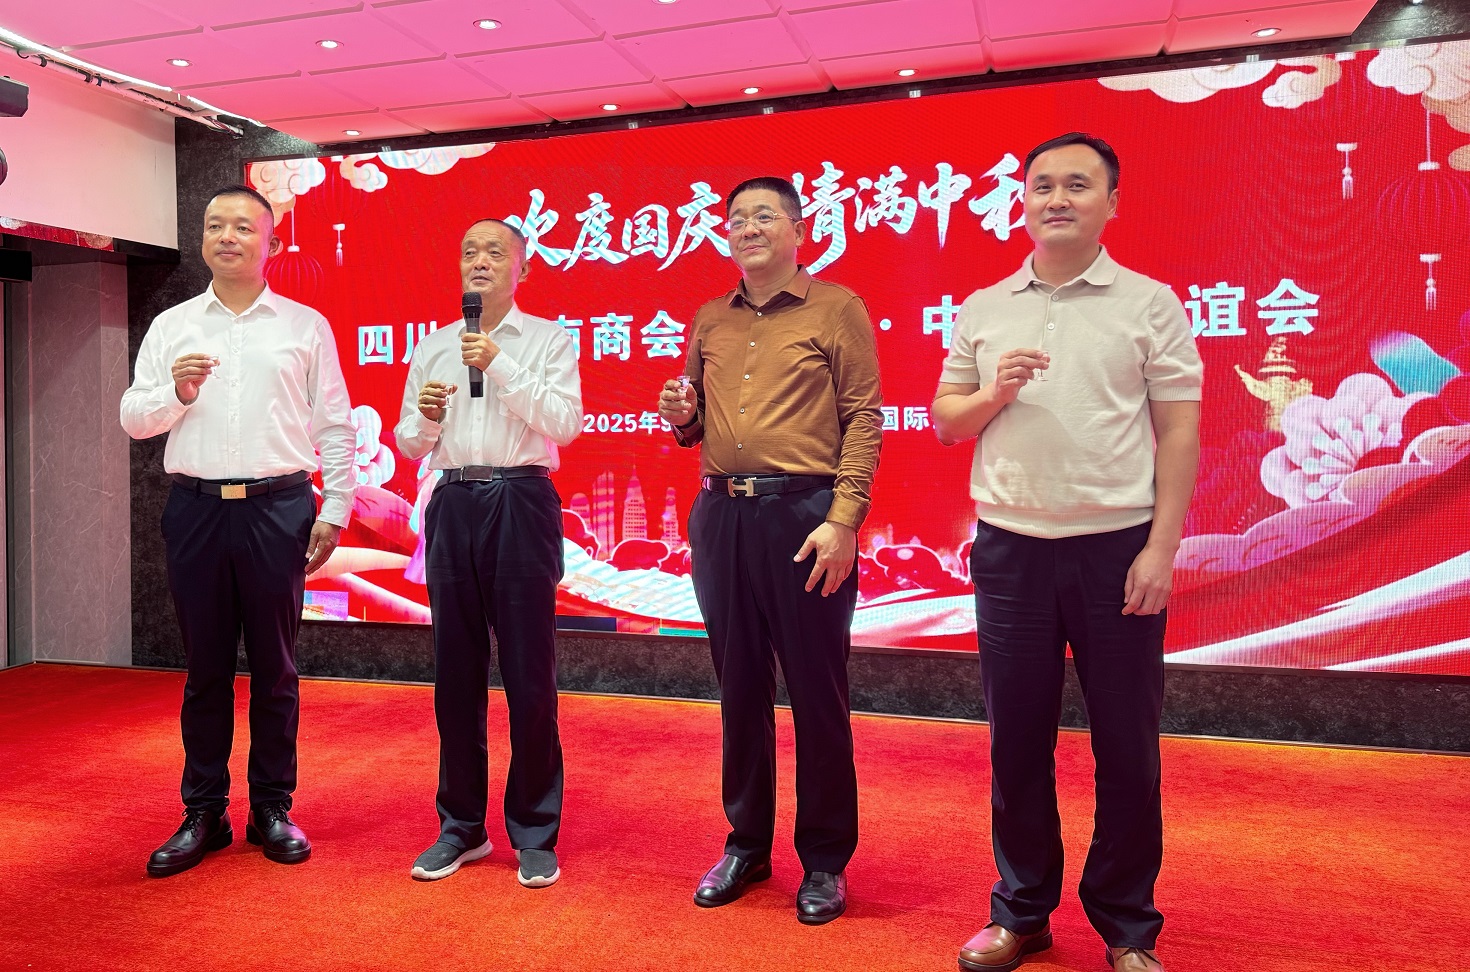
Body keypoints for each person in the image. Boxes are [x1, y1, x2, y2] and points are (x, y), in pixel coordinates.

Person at [932, 133, 1202, 972]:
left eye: (1078, 185)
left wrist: (1161, 547)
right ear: (1022, 201)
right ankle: (1020, 913)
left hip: (1116, 550)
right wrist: (996, 390)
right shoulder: (985, 305)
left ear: (1111, 202)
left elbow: (1179, 428)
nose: (1057, 198)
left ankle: (1127, 926)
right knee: (1016, 742)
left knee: (1128, 745)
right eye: (1042, 184)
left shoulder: (1149, 302)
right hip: (1010, 550)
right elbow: (946, 421)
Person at [656, 176, 883, 925]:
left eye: (763, 216)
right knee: (739, 688)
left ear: (797, 229)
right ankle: (747, 844)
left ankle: (824, 860)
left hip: (805, 518)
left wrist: (844, 519)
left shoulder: (837, 307)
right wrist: (681, 415)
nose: (747, 227)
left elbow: (863, 418)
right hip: (722, 515)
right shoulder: (709, 317)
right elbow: (694, 425)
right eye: (735, 218)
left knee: (817, 691)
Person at [122, 184, 357, 877]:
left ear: (271, 243)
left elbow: (335, 423)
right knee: (205, 670)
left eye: (243, 227)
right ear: (201, 239)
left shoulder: (305, 326)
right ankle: (204, 812)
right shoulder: (173, 326)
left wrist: (336, 509)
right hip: (195, 509)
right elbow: (134, 418)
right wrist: (177, 393)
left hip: (278, 507)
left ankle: (272, 807)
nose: (227, 236)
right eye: (214, 225)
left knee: (276, 669)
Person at [395, 218, 581, 888]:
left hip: (522, 499)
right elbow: (409, 443)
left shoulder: (549, 340)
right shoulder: (433, 345)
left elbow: (565, 423)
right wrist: (425, 417)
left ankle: (534, 829)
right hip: (452, 500)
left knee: (529, 673)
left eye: (494, 252)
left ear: (522, 269)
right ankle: (461, 827)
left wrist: (497, 362)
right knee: (456, 673)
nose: (479, 260)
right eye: (469, 251)